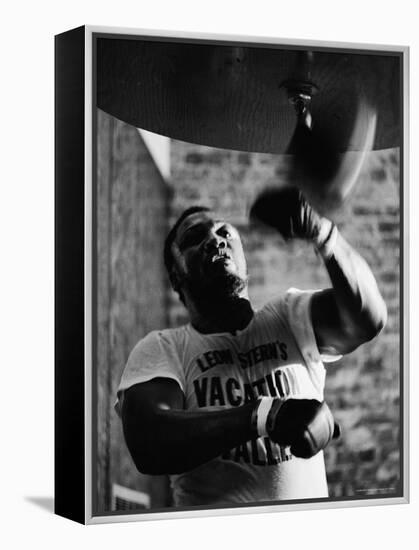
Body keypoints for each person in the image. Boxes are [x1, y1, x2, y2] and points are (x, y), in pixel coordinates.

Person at [115, 188, 387, 507]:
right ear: (176, 277)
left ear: (245, 262)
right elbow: (148, 443)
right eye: (194, 238)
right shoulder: (162, 348)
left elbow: (368, 318)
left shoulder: (290, 316)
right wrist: (264, 416)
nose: (215, 240)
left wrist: (323, 233)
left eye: (225, 232)